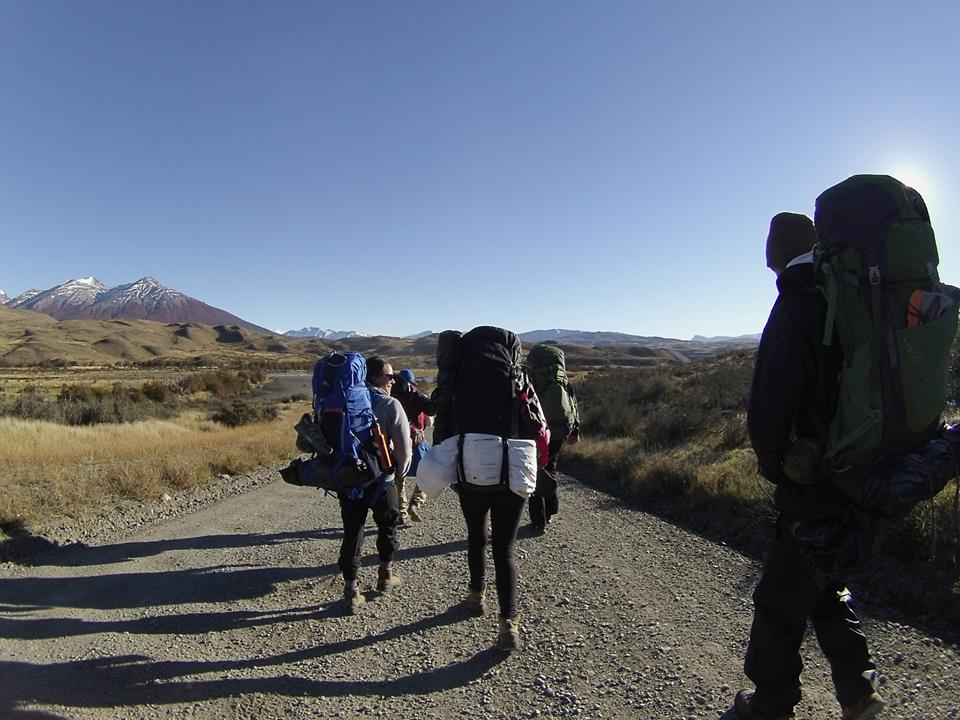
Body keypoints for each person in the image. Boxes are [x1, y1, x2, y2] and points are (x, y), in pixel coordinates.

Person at [733, 212, 884, 720]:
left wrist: (775, 465)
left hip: (815, 477)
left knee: (778, 600)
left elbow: (770, 405)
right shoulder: (842, 298)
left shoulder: (796, 303)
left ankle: (771, 703)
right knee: (824, 582)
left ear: (776, 253)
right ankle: (860, 691)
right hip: (863, 469)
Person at [435, 326, 550, 652]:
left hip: (471, 470)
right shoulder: (519, 379)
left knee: (476, 536)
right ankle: (508, 624)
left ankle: (476, 597)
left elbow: (442, 423)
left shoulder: (458, 381)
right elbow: (539, 428)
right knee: (505, 549)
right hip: (512, 472)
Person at [337, 355, 411, 615]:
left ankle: (351, 590)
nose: (393, 381)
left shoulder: (345, 401)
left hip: (350, 480)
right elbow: (404, 450)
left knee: (352, 531)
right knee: (388, 525)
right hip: (383, 480)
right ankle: (386, 575)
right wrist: (399, 474)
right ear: (377, 377)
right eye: (389, 376)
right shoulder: (391, 404)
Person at [526, 343, 581, 535]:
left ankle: (538, 521)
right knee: (551, 466)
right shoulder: (562, 377)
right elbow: (573, 404)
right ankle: (551, 509)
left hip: (539, 429)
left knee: (534, 469)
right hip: (561, 428)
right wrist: (575, 430)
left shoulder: (531, 377)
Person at [391, 368, 436, 523]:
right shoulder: (417, 397)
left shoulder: (392, 398)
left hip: (397, 442)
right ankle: (416, 502)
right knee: (429, 471)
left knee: (399, 478)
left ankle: (401, 512)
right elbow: (429, 421)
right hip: (417, 442)